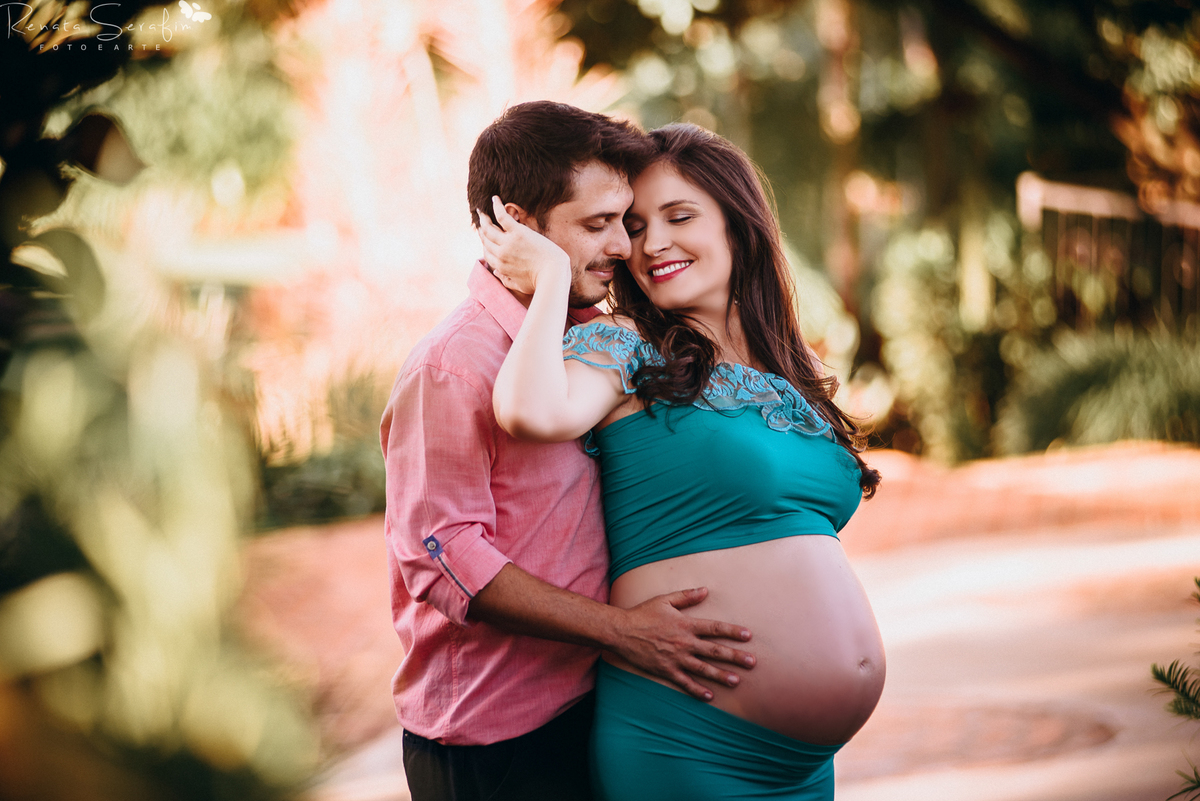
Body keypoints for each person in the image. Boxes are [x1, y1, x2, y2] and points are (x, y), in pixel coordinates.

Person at [479, 122, 886, 800]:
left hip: (806, 767)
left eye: (679, 216)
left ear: (738, 223)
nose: (653, 243)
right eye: (635, 226)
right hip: (688, 738)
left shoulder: (793, 368)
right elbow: (528, 410)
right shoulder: (628, 346)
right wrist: (552, 276)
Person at [381, 103, 757, 801]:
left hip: (602, 704)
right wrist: (624, 631)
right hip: (498, 736)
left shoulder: (598, 334)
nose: (623, 246)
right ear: (521, 226)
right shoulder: (453, 365)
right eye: (596, 225)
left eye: (624, 220)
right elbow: (445, 557)